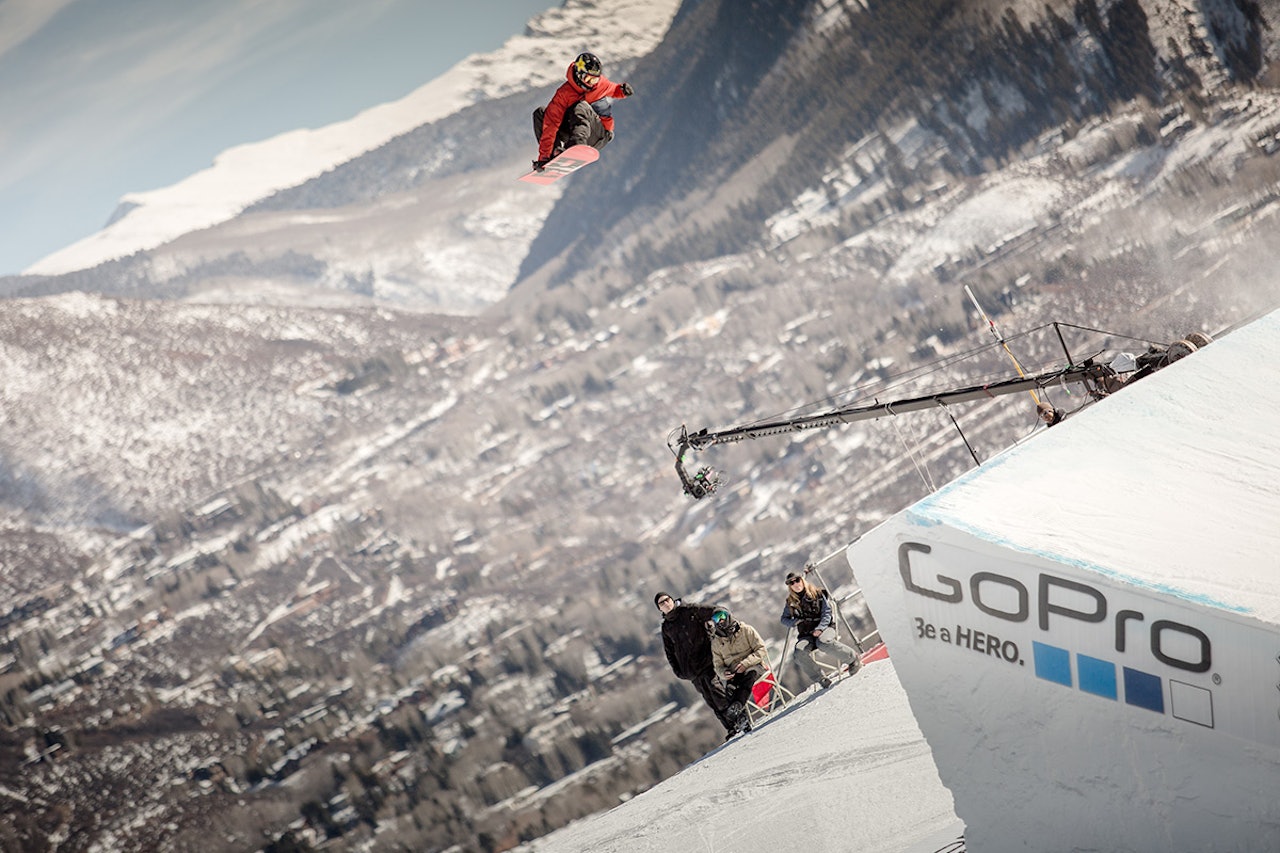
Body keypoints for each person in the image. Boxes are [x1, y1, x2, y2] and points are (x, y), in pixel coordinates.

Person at [532, 52, 634, 171]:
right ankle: (554, 155)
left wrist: (622, 91)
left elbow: (613, 89)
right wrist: (544, 157)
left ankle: (576, 146)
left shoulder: (600, 84)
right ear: (579, 75)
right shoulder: (564, 93)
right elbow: (550, 125)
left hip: (599, 133)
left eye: (595, 80)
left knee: (580, 106)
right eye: (588, 79)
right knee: (540, 114)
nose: (592, 84)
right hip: (574, 130)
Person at [655, 591, 737, 738]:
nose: (666, 603)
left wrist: (719, 626)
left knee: (717, 692)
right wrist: (679, 672)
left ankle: (738, 719)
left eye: (667, 599)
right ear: (660, 609)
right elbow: (670, 653)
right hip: (691, 671)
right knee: (710, 700)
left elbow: (717, 611)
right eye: (661, 603)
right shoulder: (666, 628)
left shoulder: (690, 610)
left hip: (707, 660)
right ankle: (730, 728)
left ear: (672, 599)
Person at [780, 571, 861, 688]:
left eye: (797, 580)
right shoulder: (791, 602)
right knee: (799, 652)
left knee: (823, 642)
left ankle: (853, 659)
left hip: (825, 628)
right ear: (790, 586)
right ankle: (821, 678)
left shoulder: (817, 593)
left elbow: (827, 613)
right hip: (807, 635)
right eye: (791, 583)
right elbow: (783, 619)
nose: (795, 584)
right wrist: (795, 621)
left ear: (802, 580)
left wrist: (820, 628)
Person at [707, 605, 767, 737]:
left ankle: (738, 705)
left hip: (753, 666)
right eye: (715, 619)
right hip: (734, 672)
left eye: (721, 616)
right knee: (730, 689)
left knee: (749, 676)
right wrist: (723, 673)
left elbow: (761, 649)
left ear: (728, 615)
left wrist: (746, 663)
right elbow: (718, 666)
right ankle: (742, 720)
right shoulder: (716, 642)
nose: (720, 621)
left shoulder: (746, 630)